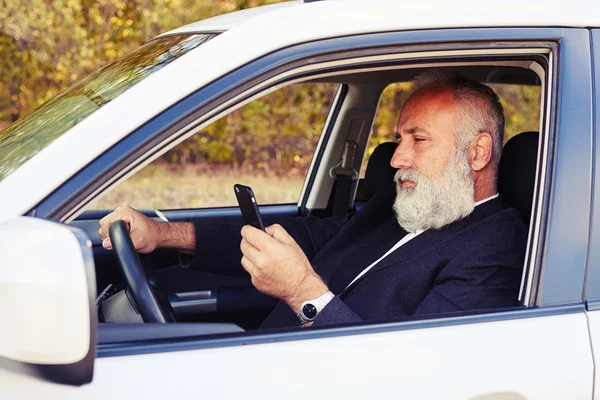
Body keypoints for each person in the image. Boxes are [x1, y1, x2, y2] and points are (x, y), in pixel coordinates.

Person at [98, 70, 527, 328]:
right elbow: (305, 235)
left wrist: (303, 291)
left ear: (477, 152)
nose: (397, 157)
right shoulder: (399, 206)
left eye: (419, 139)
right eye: (400, 138)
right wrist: (164, 234)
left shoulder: (496, 250)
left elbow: (409, 373)